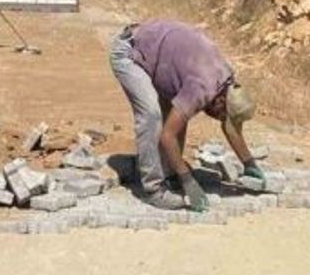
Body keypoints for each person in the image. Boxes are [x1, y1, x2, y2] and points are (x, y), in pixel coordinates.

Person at [108, 19, 261, 211]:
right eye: (222, 116)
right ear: (220, 102)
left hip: (158, 55)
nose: (219, 119)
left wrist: (249, 164)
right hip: (130, 53)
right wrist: (188, 180)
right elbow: (167, 136)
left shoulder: (226, 80)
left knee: (178, 117)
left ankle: (170, 174)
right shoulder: (201, 88)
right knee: (151, 116)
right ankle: (153, 189)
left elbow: (231, 127)